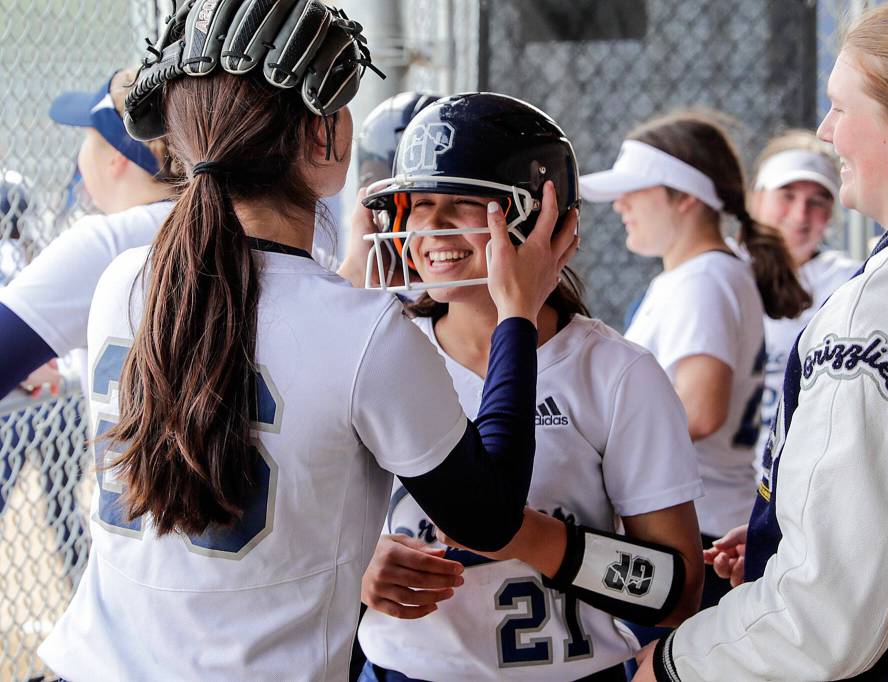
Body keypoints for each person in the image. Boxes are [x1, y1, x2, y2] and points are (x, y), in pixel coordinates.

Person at [37, 2, 576, 679]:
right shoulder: (365, 331)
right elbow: (490, 518)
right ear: (324, 137)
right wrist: (517, 311)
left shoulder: (124, 281)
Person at [635, 1, 888, 679]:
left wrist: (672, 662)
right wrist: (783, 528)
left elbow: (822, 619)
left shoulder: (887, 309)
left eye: (842, 108)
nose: (825, 130)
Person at [351, 93, 704, 682]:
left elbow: (677, 592)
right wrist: (358, 568)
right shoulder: (376, 349)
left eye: (463, 203)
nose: (432, 227)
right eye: (420, 204)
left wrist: (523, 535)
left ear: (541, 218)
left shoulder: (614, 372)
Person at [580, 113, 810, 609]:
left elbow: (702, 410)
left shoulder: (702, 280)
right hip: (700, 519)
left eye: (635, 191)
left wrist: (589, 447)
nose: (620, 204)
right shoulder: (704, 273)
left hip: (694, 527)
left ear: (685, 197)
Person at [0, 67, 176, 399]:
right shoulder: (231, 219)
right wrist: (30, 347)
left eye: (89, 137)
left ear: (117, 159)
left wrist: (20, 354)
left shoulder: (109, 243)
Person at [748, 130, 861, 468]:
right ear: (755, 198)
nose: (800, 215)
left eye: (817, 201)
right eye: (787, 195)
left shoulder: (848, 281)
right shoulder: (721, 273)